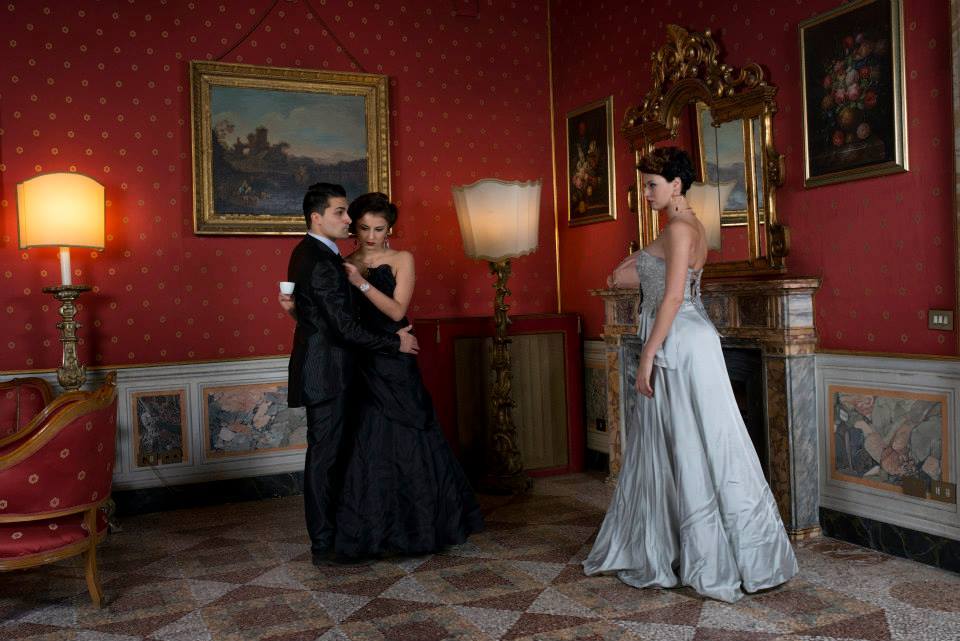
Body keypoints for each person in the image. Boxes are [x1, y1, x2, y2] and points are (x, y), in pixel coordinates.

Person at [582, 148, 797, 603]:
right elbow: (629, 277)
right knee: (693, 440)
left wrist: (647, 355)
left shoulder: (680, 229)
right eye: (644, 184)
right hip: (688, 337)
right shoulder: (687, 226)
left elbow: (674, 297)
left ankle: (711, 557)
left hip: (679, 341)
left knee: (692, 442)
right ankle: (694, 547)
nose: (645, 193)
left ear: (676, 185)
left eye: (651, 185)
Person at [332, 192, 484, 559]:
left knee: (410, 433)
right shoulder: (344, 263)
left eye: (379, 229)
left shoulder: (401, 259)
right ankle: (373, 529)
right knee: (367, 437)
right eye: (364, 228)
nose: (371, 236)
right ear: (354, 228)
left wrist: (361, 283)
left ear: (390, 229)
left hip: (396, 358)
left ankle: (420, 526)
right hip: (362, 358)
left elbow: (398, 310)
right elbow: (341, 321)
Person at [284, 182, 420, 567]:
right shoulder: (321, 259)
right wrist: (394, 343)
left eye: (348, 213)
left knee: (338, 455)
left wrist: (293, 311)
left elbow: (320, 316)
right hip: (329, 373)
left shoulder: (313, 253)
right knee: (326, 458)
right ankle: (324, 544)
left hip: (340, 369)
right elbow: (343, 327)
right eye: (340, 212)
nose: (349, 220)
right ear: (317, 217)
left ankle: (342, 534)